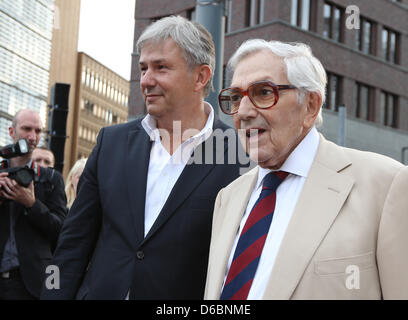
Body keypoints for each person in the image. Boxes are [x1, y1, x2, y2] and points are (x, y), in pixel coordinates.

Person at [41, 16, 243, 300]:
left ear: (201, 77)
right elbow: (71, 244)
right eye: (143, 68)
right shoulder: (111, 143)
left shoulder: (237, 154)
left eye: (161, 68)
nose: (146, 80)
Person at [204, 39, 408, 300]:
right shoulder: (228, 197)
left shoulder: (387, 185)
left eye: (263, 93)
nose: (242, 112)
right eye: (235, 97)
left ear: (310, 105)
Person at [0, 109, 67, 299]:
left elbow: (61, 231)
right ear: (12, 132)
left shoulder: (51, 179)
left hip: (33, 283)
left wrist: (31, 204)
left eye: (38, 131)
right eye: (26, 129)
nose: (32, 136)